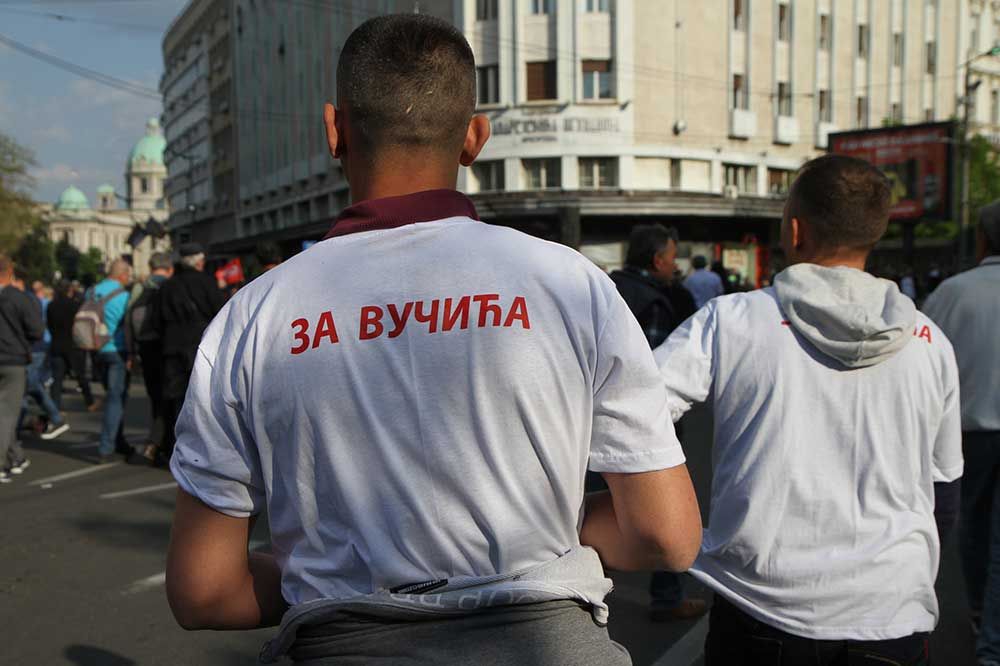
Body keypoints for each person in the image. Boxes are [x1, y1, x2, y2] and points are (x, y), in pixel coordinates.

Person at [165, 14, 701, 665]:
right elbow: (665, 536)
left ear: (334, 130)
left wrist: (330, 572)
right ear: (475, 138)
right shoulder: (570, 284)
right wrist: (543, 531)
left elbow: (204, 592)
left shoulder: (251, 318)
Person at [655, 154, 963, 664]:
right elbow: (944, 492)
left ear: (794, 231)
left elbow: (630, 418)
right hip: (892, 615)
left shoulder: (731, 321)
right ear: (877, 232)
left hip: (760, 609)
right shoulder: (932, 344)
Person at [608, 223, 705, 622]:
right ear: (657, 260)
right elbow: (652, 380)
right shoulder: (654, 303)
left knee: (593, 512)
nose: (675, 265)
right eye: (672, 257)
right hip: (637, 431)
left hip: (591, 426)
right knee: (667, 523)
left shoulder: (606, 289)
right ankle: (668, 598)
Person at [923, 202, 1000, 662]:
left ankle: (977, 611)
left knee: (972, 526)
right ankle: (992, 641)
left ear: (982, 240)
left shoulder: (952, 292)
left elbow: (926, 357)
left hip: (968, 432)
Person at [157, 243, 224, 460]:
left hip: (172, 347)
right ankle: (204, 452)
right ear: (197, 261)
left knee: (177, 400)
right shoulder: (207, 282)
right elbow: (221, 313)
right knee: (203, 399)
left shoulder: (167, 286)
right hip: (201, 347)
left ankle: (178, 449)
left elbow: (158, 320)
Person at [125, 252, 173, 465]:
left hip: (144, 347)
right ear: (168, 268)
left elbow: (128, 320)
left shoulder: (139, 288)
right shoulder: (170, 286)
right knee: (168, 397)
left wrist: (131, 352)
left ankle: (157, 441)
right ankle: (161, 444)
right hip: (165, 347)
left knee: (154, 395)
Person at [0, 256, 43, 482]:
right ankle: (4, 461)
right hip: (13, 359)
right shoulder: (18, 298)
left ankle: (15, 456)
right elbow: (36, 330)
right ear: (10, 273)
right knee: (7, 413)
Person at [15, 270, 69, 441]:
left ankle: (55, 418)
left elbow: (34, 327)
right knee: (23, 387)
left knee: (30, 384)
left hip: (33, 348)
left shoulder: (26, 300)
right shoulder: (32, 300)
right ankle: (15, 430)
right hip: (35, 347)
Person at [93, 259, 134, 464]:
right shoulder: (124, 296)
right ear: (122, 275)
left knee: (113, 395)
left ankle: (118, 439)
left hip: (96, 348)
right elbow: (128, 326)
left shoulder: (93, 291)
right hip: (117, 349)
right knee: (115, 398)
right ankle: (106, 447)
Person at [47, 280, 95, 411]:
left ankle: (54, 407)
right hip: (73, 344)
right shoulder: (75, 306)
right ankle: (89, 401)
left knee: (57, 379)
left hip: (57, 344)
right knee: (80, 375)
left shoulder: (51, 306)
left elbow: (49, 325)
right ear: (70, 290)